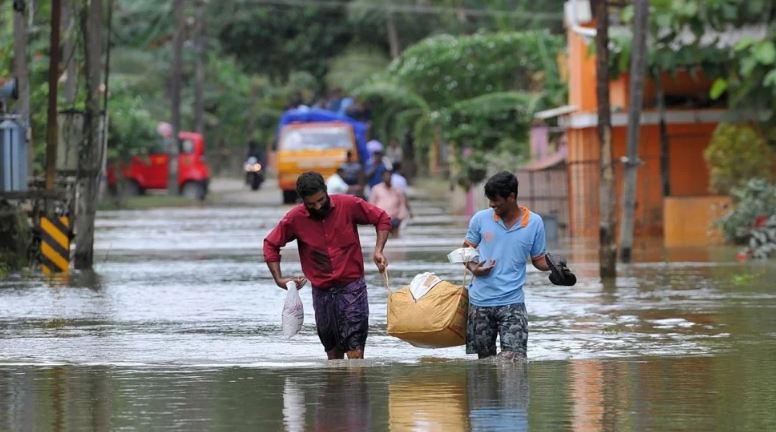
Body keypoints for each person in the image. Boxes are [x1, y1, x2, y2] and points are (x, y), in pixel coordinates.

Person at [263, 172, 392, 360]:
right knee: (333, 354)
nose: (318, 206)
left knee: (355, 351)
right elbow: (270, 244)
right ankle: (334, 388)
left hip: (352, 289)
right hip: (322, 293)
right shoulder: (295, 218)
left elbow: (382, 219)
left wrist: (378, 250)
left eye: (321, 200)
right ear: (303, 201)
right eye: (311, 204)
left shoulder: (348, 205)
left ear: (326, 191)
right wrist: (279, 279)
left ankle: (356, 386)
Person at [461, 171, 554, 360]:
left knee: (515, 361)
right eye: (490, 200)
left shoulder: (534, 223)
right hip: (480, 303)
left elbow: (538, 260)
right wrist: (474, 268)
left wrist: (554, 266)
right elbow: (465, 250)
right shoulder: (480, 219)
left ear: (511, 197)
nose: (492, 205)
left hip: (513, 303)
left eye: (496, 200)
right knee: (485, 365)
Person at [369, 169, 409, 237]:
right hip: (381, 218)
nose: (387, 177)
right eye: (385, 176)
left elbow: (403, 204)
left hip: (395, 218)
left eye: (389, 175)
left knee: (395, 237)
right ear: (382, 177)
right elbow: (371, 204)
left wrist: (401, 217)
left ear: (391, 176)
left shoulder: (398, 189)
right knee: (381, 238)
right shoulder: (376, 189)